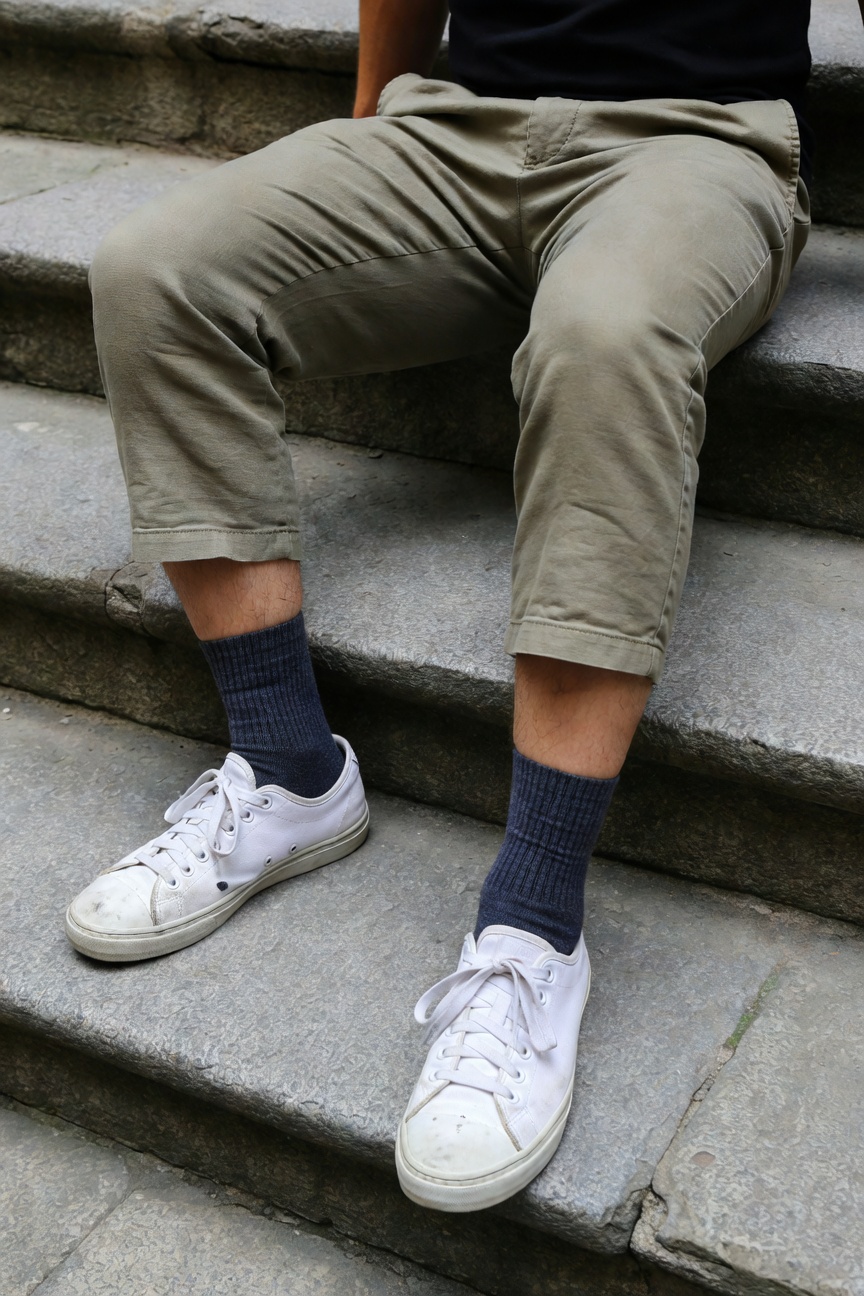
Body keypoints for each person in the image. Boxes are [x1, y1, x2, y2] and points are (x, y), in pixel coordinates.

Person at [65, 0, 824, 1213]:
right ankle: (293, 772)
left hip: (696, 141)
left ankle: (532, 930)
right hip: (455, 132)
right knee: (153, 271)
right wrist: (373, 122)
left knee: (607, 336)